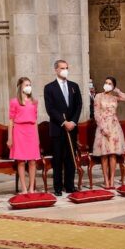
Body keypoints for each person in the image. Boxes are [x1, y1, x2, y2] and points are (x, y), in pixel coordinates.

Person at [43, 60, 83, 196]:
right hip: (58, 128)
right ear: (56, 70)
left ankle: (70, 186)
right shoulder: (49, 88)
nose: (65, 70)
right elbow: (50, 109)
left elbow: (79, 105)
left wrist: (73, 121)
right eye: (62, 68)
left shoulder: (74, 86)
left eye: (66, 68)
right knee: (58, 159)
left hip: (72, 128)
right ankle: (58, 187)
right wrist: (63, 122)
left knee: (70, 158)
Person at [93, 77, 125, 189]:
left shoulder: (114, 97)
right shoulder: (98, 96)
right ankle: (106, 180)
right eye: (106, 82)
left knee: (112, 154)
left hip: (114, 126)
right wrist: (103, 128)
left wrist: (116, 89)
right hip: (103, 126)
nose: (107, 85)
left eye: (110, 83)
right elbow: (96, 114)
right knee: (104, 155)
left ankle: (112, 179)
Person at [7, 78, 41, 194]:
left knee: (32, 161)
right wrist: (10, 138)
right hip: (19, 131)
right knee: (21, 161)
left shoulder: (34, 101)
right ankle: (24, 188)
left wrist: (37, 138)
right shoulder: (14, 102)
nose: (28, 87)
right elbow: (11, 121)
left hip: (31, 131)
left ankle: (32, 188)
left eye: (30, 85)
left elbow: (35, 120)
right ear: (20, 86)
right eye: (26, 84)